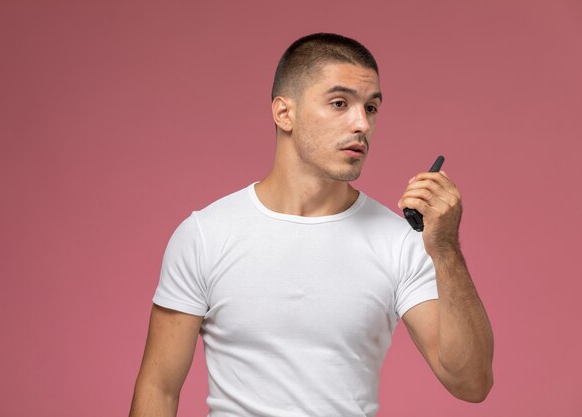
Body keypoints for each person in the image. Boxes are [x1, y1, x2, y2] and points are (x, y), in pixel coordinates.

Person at [129, 33, 494, 417]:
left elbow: (471, 382)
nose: (362, 124)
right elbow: (159, 388)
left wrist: (446, 248)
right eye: (340, 103)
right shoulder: (205, 235)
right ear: (284, 113)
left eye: (371, 108)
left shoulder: (399, 242)